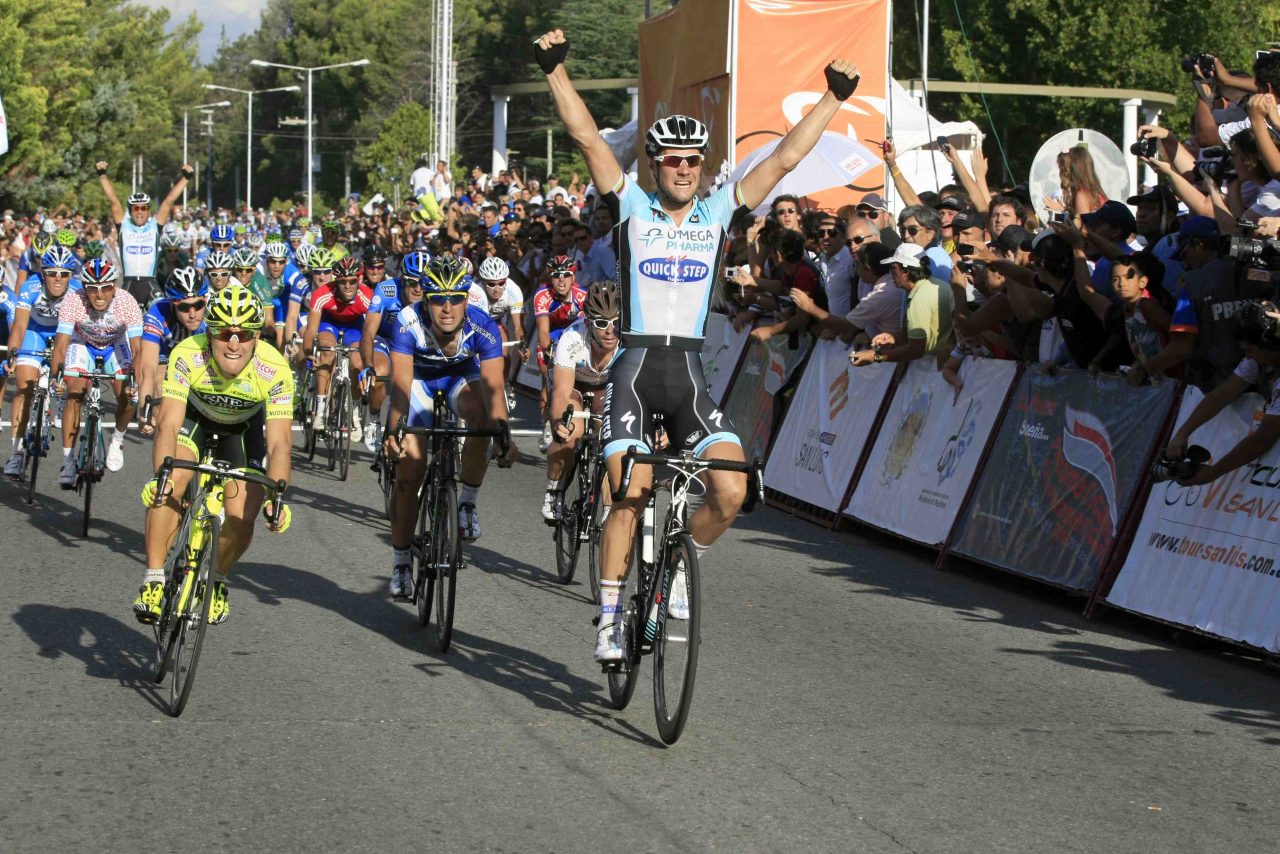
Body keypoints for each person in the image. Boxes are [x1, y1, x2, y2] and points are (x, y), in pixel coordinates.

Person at [535, 26, 860, 662]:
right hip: (632, 369)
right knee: (628, 490)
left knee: (733, 489)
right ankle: (606, 616)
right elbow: (586, 138)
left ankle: (681, 569)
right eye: (671, 161)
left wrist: (833, 98)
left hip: (686, 374)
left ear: (703, 167)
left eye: (693, 161)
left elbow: (784, 161)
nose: (683, 170)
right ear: (654, 165)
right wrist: (555, 71)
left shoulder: (717, 214)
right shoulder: (630, 208)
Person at [133, 285, 293, 625]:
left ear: (256, 336)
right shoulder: (187, 353)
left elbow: (279, 444)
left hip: (242, 431)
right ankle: (154, 581)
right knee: (172, 481)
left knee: (242, 514)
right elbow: (169, 423)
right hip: (195, 421)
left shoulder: (275, 369)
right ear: (209, 332)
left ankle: (215, 580)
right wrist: (160, 473)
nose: (233, 343)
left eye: (244, 334)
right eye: (223, 332)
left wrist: (276, 495)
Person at [382, 255, 518, 597]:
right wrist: (393, 431)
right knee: (410, 472)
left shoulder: (483, 325)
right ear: (425, 300)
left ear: (465, 299)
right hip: (417, 383)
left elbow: (494, 390)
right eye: (438, 299)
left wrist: (504, 435)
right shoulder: (407, 321)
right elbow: (400, 387)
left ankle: (467, 501)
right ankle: (400, 561)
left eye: (455, 298)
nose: (447, 308)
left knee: (483, 417)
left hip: (459, 379)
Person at [1165, 300, 1280, 487]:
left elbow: (1262, 439)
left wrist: (1212, 473)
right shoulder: (1262, 358)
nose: (1248, 356)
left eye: (1250, 350)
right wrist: (1183, 433)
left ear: (1269, 344)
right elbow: (1224, 392)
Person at [51, 258, 143, 483]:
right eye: (92, 288)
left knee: (129, 398)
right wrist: (57, 377)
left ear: (115, 287)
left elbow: (138, 349)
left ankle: (117, 440)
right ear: (85, 289)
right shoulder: (74, 301)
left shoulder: (127, 302)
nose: (99, 294)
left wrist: (136, 382)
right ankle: (68, 461)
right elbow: (61, 346)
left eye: (106, 288)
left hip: (115, 345)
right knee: (74, 392)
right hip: (82, 343)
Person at [543, 281, 623, 522]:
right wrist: (559, 422)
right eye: (601, 323)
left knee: (612, 439)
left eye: (615, 322)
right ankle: (553, 488)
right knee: (570, 432)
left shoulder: (627, 342)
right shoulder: (572, 338)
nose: (610, 330)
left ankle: (609, 511)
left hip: (605, 386)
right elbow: (561, 393)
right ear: (588, 324)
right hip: (573, 385)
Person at [3, 248, 82, 477]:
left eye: (64, 273)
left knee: (72, 382)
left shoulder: (77, 292)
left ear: (71, 274)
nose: (58, 278)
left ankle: (58, 402)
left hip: (64, 335)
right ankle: (16, 454)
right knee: (23, 388)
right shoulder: (31, 286)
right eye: (52, 272)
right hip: (35, 334)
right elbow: (19, 326)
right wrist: (13, 355)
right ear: (42, 272)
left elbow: (82, 328)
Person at [96, 159, 191, 306]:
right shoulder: (124, 226)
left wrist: (186, 178)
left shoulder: (154, 227)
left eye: (143, 208)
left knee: (166, 313)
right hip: (128, 284)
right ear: (130, 211)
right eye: (135, 208)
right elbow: (113, 200)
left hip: (150, 285)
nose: (139, 212)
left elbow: (169, 200)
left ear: (148, 211)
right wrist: (102, 175)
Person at [360, 251, 426, 450]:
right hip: (385, 339)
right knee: (379, 373)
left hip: (415, 344)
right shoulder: (386, 289)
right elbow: (369, 332)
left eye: (422, 283)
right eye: (411, 282)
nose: (417, 289)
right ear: (402, 279)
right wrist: (367, 366)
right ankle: (374, 417)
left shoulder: (432, 294)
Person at [849, 244, 954, 367]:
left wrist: (874, 356)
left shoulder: (919, 300)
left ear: (906, 272)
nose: (890, 272)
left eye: (893, 268)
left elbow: (915, 350)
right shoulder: (936, 286)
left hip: (933, 368)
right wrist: (893, 338)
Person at [301, 256, 372, 431]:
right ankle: (320, 411)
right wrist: (309, 352)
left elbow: (369, 333)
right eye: (342, 282)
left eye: (352, 281)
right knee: (327, 354)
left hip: (354, 326)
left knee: (357, 362)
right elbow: (310, 330)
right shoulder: (322, 293)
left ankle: (353, 411)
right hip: (329, 323)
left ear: (360, 280)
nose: (347, 286)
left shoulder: (367, 296)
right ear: (336, 280)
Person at [135, 267, 208, 434]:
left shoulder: (212, 314)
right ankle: (167, 437)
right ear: (172, 304)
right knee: (159, 384)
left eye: (198, 305)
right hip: (165, 352)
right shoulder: (157, 313)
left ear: (205, 299)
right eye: (184, 307)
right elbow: (148, 372)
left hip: (195, 351)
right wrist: (143, 413)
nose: (192, 314)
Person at [533, 254, 587, 448]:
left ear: (573, 278)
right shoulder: (542, 295)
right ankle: (548, 423)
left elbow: (587, 330)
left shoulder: (582, 296)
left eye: (566, 274)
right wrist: (551, 354)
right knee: (549, 382)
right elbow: (543, 332)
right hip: (553, 338)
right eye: (556, 275)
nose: (561, 279)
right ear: (550, 278)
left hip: (574, 337)